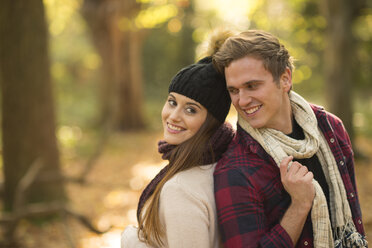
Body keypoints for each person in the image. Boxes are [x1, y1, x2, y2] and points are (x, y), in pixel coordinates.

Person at [211, 30, 367, 247]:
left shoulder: (331, 129)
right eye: (233, 90)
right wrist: (300, 205)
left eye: (252, 86)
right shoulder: (235, 170)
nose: (242, 100)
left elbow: (354, 219)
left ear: (285, 79)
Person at [121, 56, 234, 248]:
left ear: (211, 123)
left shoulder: (181, 190)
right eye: (172, 102)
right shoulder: (221, 164)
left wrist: (132, 241)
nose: (173, 117)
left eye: (191, 110)